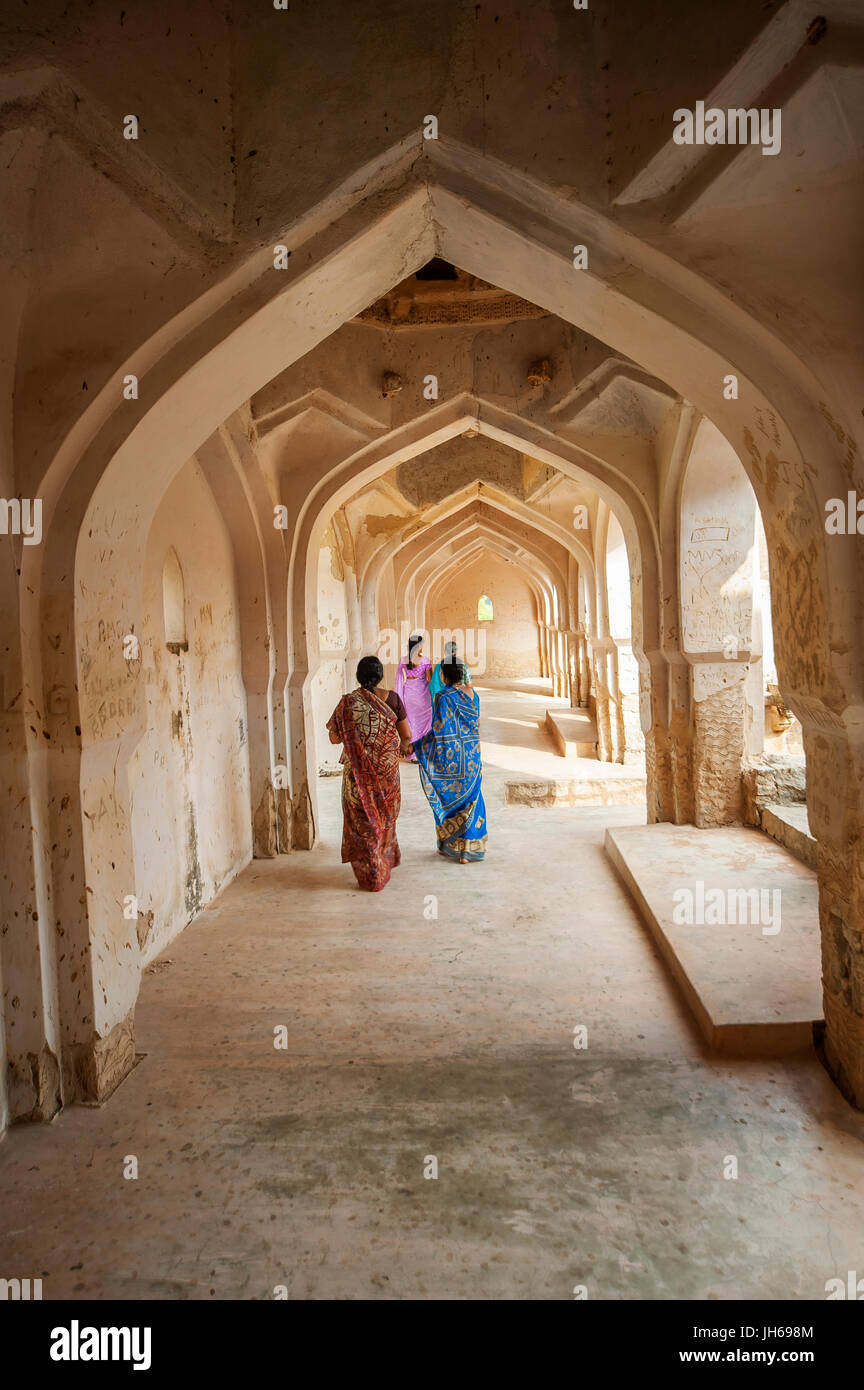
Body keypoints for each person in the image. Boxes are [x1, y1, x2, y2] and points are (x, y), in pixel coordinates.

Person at [326, 655, 413, 892]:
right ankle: (381, 866)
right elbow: (406, 736)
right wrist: (403, 747)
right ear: (380, 676)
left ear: (358, 676)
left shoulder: (347, 703)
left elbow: (334, 737)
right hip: (387, 778)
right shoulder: (393, 700)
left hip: (357, 777)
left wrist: (354, 736)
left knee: (362, 823)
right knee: (382, 822)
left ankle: (369, 871)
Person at [412, 661, 487, 864]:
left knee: (447, 798)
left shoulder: (442, 697)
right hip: (471, 755)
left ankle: (447, 845)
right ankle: (467, 851)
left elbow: (439, 730)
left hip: (451, 757)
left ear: (443, 677)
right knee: (472, 800)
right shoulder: (473, 695)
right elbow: (477, 723)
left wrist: (417, 746)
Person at [394, 633, 433, 761]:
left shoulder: (403, 660)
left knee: (411, 721)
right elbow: (429, 680)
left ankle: (413, 755)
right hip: (423, 694)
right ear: (420, 646)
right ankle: (423, 751)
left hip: (409, 693)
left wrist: (398, 695)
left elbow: (399, 679)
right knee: (425, 721)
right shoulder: (426, 660)